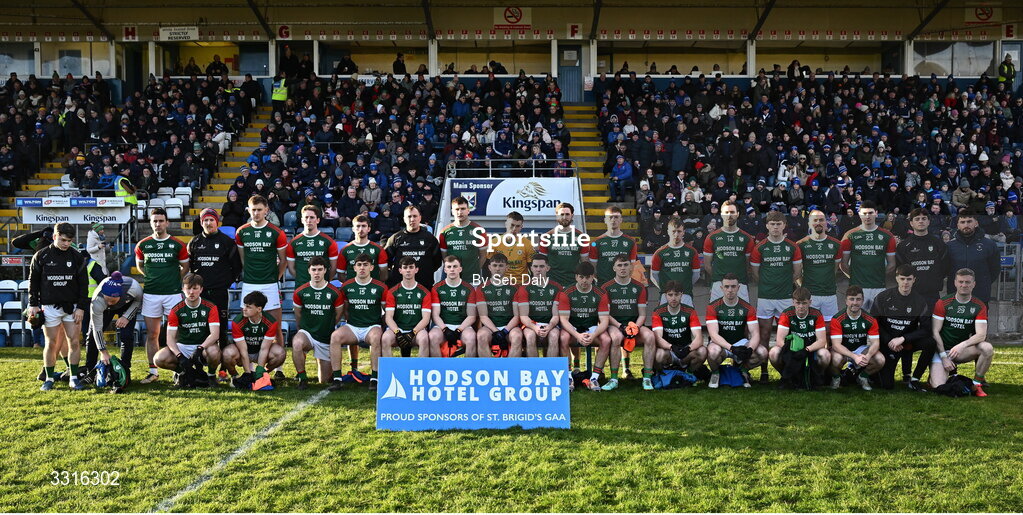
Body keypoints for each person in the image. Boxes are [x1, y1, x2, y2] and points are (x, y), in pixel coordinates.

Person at [30, 222, 90, 391]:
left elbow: (83, 285)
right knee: (51, 342)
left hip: (72, 307)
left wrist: (81, 307)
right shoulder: (41, 256)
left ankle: (73, 377)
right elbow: (33, 282)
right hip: (49, 307)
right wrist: (33, 304)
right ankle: (48, 378)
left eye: (69, 241)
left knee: (74, 342)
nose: (66, 244)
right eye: (63, 240)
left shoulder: (77, 257)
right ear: (55, 236)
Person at [235, 195, 289, 378]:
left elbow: (283, 261)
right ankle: (250, 367)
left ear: (266, 210)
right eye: (253, 209)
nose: (256, 213)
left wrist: (275, 278)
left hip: (270, 285)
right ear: (248, 210)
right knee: (246, 325)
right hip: (249, 284)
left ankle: (279, 369)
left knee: (276, 325)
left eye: (259, 209)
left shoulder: (276, 232)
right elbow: (243, 260)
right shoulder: (241, 232)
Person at [134, 208, 190, 385]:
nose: (158, 224)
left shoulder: (178, 244)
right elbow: (141, 267)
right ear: (151, 223)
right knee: (152, 334)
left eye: (161, 221)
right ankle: (153, 371)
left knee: (177, 333)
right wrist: (154, 278)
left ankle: (179, 369)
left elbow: (185, 268)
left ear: (167, 223)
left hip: (173, 295)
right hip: (151, 294)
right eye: (155, 221)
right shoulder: (142, 245)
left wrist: (173, 280)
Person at [751, 210, 803, 382]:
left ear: (784, 225)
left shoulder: (792, 246)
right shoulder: (760, 247)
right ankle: (764, 371)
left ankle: (790, 369)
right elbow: (756, 273)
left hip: (786, 297)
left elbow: (797, 272)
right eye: (772, 224)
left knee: (789, 335)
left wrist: (783, 284)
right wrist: (770, 284)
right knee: (764, 334)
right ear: (767, 226)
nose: (775, 227)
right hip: (765, 297)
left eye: (778, 224)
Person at [930, 268, 994, 396]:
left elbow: (981, 334)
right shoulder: (943, 303)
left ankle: (977, 384)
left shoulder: (979, 305)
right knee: (938, 386)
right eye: (961, 282)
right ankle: (935, 375)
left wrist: (962, 345)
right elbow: (934, 332)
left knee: (987, 348)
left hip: (961, 351)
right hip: (941, 350)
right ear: (955, 283)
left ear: (973, 284)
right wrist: (943, 357)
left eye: (967, 282)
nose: (964, 285)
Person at [188, 208, 242, 360]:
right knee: (201, 327)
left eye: (211, 220)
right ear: (201, 222)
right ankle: (201, 360)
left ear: (217, 222)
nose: (208, 223)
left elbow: (236, 267)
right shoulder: (195, 242)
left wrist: (224, 282)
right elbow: (191, 267)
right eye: (205, 220)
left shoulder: (226, 242)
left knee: (222, 327)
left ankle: (224, 366)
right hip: (200, 293)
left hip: (219, 292)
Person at [871, 265, 936, 391]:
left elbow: (926, 329)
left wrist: (904, 338)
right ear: (896, 278)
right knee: (886, 385)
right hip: (888, 342)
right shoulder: (883, 297)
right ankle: (872, 375)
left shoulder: (920, 301)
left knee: (930, 343)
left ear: (914, 280)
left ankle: (915, 379)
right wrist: (889, 340)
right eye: (902, 279)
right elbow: (874, 324)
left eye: (909, 279)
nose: (905, 282)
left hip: (907, 342)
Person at [330, 253, 388, 391]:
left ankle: (374, 378)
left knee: (376, 338)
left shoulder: (380, 287)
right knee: (335, 337)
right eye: (359, 265)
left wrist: (381, 325)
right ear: (354, 268)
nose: (362, 268)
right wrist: (349, 322)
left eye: (366, 265)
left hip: (372, 326)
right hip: (353, 326)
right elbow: (345, 309)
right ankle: (337, 378)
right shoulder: (347, 286)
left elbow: (387, 311)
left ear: (372, 267)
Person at [153, 273, 221, 388]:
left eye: (195, 288)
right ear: (183, 289)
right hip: (183, 346)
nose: (191, 292)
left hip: (204, 346)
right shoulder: (176, 310)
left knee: (214, 352)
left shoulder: (210, 307)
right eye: (188, 288)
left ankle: (211, 376)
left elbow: (215, 335)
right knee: (158, 359)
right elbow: (170, 338)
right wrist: (179, 356)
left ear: (201, 289)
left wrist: (200, 348)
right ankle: (183, 373)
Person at [557, 261, 613, 392]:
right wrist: (577, 335)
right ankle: (569, 376)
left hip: (591, 328)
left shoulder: (600, 293)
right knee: (563, 338)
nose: (584, 281)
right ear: (576, 277)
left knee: (607, 339)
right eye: (581, 277)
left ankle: (594, 377)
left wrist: (593, 335)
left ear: (593, 277)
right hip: (573, 328)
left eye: (587, 277)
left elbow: (604, 320)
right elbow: (564, 320)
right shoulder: (567, 292)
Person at [291, 256, 344, 389]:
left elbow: (338, 315)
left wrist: (327, 325)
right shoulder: (300, 291)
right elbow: (298, 313)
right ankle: (302, 378)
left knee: (324, 380)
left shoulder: (334, 292)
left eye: (320, 269)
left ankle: (326, 367)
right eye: (313, 269)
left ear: (325, 270)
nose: (316, 273)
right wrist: (302, 329)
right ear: (308, 270)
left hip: (325, 337)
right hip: (307, 333)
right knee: (297, 342)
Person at [84, 271, 142, 393]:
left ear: (121, 295)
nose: (110, 303)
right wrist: (103, 351)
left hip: (127, 305)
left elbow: (138, 301)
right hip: (103, 309)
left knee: (127, 336)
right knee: (91, 335)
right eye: (108, 300)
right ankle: (90, 371)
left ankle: (125, 371)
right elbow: (97, 329)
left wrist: (127, 316)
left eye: (113, 301)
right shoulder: (97, 301)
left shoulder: (133, 288)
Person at [643, 281, 706, 391]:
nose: (673, 298)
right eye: (670, 295)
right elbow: (658, 338)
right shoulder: (658, 311)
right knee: (658, 354)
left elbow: (699, 338)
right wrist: (672, 347)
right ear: (665, 296)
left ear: (681, 295)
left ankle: (689, 373)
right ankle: (661, 374)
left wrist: (688, 348)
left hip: (685, 351)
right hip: (669, 351)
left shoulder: (690, 311)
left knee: (702, 351)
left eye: (676, 295)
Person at [705, 273, 762, 389]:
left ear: (738, 287)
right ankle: (715, 373)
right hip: (721, 344)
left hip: (740, 343)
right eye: (726, 286)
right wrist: (731, 348)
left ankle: (742, 371)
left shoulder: (747, 308)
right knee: (712, 352)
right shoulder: (713, 307)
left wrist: (750, 349)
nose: (730, 290)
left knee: (762, 352)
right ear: (721, 288)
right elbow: (713, 335)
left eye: (733, 286)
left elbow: (755, 334)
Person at [601, 254, 652, 384]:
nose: (622, 268)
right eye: (619, 265)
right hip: (615, 325)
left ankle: (647, 378)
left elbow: (642, 314)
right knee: (617, 337)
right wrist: (620, 326)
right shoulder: (606, 287)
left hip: (634, 325)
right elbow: (605, 314)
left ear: (631, 268)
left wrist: (636, 327)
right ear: (614, 268)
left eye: (625, 265)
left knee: (650, 337)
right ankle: (614, 378)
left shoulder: (639, 287)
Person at [840, 201, 897, 311]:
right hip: (857, 288)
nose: (867, 216)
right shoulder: (850, 235)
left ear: (876, 213)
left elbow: (891, 264)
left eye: (870, 213)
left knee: (878, 321)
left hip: (879, 287)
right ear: (860, 214)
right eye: (864, 213)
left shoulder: (887, 236)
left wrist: (878, 276)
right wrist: (855, 277)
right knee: (857, 321)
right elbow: (843, 264)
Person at [827, 286, 884, 391]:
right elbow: (836, 344)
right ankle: (836, 378)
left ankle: (863, 377)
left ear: (862, 301)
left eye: (858, 299)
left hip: (861, 349)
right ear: (846, 301)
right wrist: (854, 356)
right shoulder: (837, 319)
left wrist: (869, 355)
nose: (855, 302)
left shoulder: (870, 319)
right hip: (843, 349)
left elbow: (875, 343)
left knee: (880, 359)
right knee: (836, 359)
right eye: (851, 299)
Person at [227, 290, 284, 391]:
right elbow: (243, 350)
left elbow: (264, 348)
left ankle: (262, 373)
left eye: (248, 307)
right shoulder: (237, 322)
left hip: (260, 352)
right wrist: (247, 373)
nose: (244, 309)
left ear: (259, 309)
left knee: (280, 353)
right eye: (244, 305)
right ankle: (235, 376)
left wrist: (260, 369)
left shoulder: (271, 322)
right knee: (227, 353)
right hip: (244, 353)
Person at [769, 287, 830, 377]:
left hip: (810, 349)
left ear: (810, 302)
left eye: (804, 303)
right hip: (791, 349)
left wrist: (806, 350)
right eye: (798, 303)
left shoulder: (816, 314)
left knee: (825, 355)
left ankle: (817, 376)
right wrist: (790, 352)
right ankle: (786, 375)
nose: (801, 306)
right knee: (773, 353)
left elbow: (821, 341)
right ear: (793, 302)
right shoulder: (787, 314)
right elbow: (779, 340)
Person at [475, 253, 525, 358]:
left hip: (509, 326)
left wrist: (505, 331)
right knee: (481, 336)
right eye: (494, 265)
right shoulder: (481, 288)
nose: (497, 268)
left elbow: (517, 316)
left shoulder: (515, 287)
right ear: (489, 267)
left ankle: (510, 371)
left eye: (501, 266)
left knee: (517, 336)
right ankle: (489, 370)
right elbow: (483, 316)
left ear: (507, 268)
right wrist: (496, 332)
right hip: (490, 327)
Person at [703, 200, 755, 302]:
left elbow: (748, 264)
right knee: (717, 317)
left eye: (732, 212)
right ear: (721, 214)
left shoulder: (746, 238)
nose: (729, 215)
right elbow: (707, 265)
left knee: (741, 317)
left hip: (741, 283)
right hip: (719, 284)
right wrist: (719, 279)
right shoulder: (712, 237)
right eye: (726, 212)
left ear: (738, 214)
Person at [382, 257, 432, 359]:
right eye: (405, 267)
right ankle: (390, 372)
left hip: (416, 330)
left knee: (424, 339)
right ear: (400, 270)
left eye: (411, 267)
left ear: (416, 269)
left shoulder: (424, 292)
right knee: (385, 339)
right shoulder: (393, 291)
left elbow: (426, 318)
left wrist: (413, 332)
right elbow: (388, 317)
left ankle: (419, 371)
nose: (408, 270)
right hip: (398, 329)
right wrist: (397, 333)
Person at [896, 208, 949, 304]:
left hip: (932, 293)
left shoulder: (938, 243)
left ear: (928, 221)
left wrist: (934, 280)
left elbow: (945, 267)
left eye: (924, 218)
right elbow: (900, 269)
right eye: (917, 219)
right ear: (911, 223)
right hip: (910, 293)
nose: (921, 221)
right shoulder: (904, 246)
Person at [428, 255, 478, 358]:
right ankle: (438, 369)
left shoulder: (469, 288)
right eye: (449, 267)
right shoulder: (437, 288)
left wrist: (459, 330)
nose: (452, 269)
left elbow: (471, 316)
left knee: (471, 337)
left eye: (455, 266)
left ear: (460, 269)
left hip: (463, 326)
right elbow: (435, 315)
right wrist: (445, 329)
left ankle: (468, 370)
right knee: (432, 336)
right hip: (442, 325)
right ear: (445, 270)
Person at [797, 210, 842, 322]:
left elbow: (835, 269)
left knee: (829, 329)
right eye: (815, 220)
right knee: (809, 330)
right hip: (809, 295)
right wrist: (804, 287)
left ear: (826, 222)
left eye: (821, 220)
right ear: (809, 223)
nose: (818, 222)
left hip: (829, 294)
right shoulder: (800, 245)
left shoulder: (836, 244)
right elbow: (797, 272)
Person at [946, 211, 999, 304]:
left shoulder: (989, 245)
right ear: (958, 225)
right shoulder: (950, 246)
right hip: (955, 296)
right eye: (962, 222)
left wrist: (983, 283)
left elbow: (995, 269)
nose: (966, 225)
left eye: (969, 221)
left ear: (976, 223)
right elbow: (945, 269)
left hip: (981, 296)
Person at [384, 206, 442, 288]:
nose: (412, 219)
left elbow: (437, 261)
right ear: (404, 219)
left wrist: (425, 271)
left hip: (425, 286)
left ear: (420, 218)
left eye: (415, 216)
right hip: (400, 287)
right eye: (409, 216)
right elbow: (385, 260)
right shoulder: (396, 238)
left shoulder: (430, 239)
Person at [518, 254, 563, 358]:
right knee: (530, 336)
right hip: (531, 324)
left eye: (542, 266)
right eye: (535, 266)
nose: (538, 269)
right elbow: (523, 316)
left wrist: (549, 327)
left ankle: (550, 370)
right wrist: (535, 327)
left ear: (547, 268)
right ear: (531, 268)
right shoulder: (524, 288)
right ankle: (535, 370)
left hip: (550, 324)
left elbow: (556, 315)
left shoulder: (557, 287)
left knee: (554, 336)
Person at [650, 216, 701, 306]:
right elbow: (654, 276)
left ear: (683, 232)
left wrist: (686, 286)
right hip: (666, 296)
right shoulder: (659, 252)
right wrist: (665, 289)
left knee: (687, 320)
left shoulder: (692, 252)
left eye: (679, 231)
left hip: (685, 295)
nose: (676, 234)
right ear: (668, 232)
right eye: (673, 231)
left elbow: (696, 275)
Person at [538, 202, 588, 289]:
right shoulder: (546, 237)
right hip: (552, 283)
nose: (564, 217)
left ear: (572, 216)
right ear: (557, 216)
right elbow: (542, 264)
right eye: (562, 214)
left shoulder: (582, 237)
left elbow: (584, 264)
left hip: (574, 283)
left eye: (567, 214)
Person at [286, 205, 339, 288]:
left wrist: (324, 281)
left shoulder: (328, 241)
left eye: (312, 217)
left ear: (318, 220)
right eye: (306, 217)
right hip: (301, 288)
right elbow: (291, 269)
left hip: (322, 288)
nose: (308, 220)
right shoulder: (293, 242)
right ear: (302, 220)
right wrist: (302, 279)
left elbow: (333, 268)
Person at [439, 197, 487, 284]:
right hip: (452, 279)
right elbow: (444, 258)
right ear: (452, 211)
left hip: (472, 279)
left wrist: (474, 271)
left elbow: (483, 256)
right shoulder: (444, 232)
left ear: (468, 210)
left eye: (463, 209)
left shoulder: (479, 231)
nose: (460, 212)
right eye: (457, 209)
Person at [587, 206, 638, 286]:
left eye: (616, 217)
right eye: (610, 217)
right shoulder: (595, 242)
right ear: (605, 220)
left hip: (622, 285)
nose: (613, 220)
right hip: (603, 286)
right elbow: (593, 268)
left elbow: (631, 267)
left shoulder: (631, 242)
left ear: (621, 220)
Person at [486, 211, 534, 284]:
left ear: (521, 227)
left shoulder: (527, 244)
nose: (514, 229)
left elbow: (533, 267)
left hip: (521, 284)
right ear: (506, 224)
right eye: (512, 225)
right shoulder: (494, 242)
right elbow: (487, 267)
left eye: (517, 226)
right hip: (501, 283)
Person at [338, 214, 388, 281]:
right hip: (353, 289)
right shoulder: (345, 250)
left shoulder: (378, 249)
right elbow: (341, 275)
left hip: (372, 289)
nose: (361, 229)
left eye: (364, 226)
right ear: (353, 229)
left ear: (369, 229)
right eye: (358, 226)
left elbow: (384, 275)